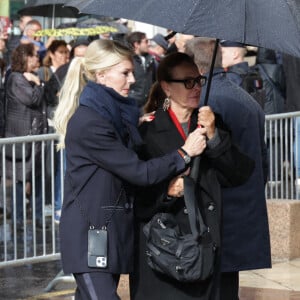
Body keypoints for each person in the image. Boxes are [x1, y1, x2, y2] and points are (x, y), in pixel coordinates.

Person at [53, 39, 206, 300]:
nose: (133, 79)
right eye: (125, 73)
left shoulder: (113, 115)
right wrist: (184, 152)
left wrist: (134, 125)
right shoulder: (92, 122)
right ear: (101, 75)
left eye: (132, 72)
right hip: (91, 235)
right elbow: (139, 172)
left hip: (108, 233)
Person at [129, 52, 254, 300]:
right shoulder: (147, 131)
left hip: (205, 246)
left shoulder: (210, 123)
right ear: (166, 87)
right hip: (167, 249)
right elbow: (135, 191)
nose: (196, 87)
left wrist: (215, 137)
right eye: (188, 82)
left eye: (199, 80)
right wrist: (166, 192)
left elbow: (239, 174)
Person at [185, 37, 271, 300]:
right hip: (240, 211)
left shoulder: (208, 102)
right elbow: (263, 161)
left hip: (218, 214)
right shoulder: (245, 99)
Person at [5, 43, 46, 228]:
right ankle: (18, 219)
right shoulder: (15, 78)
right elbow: (32, 99)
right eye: (34, 55)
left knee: (37, 178)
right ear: (25, 58)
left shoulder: (31, 76)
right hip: (23, 139)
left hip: (35, 137)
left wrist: (37, 81)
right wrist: (38, 84)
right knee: (21, 179)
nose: (37, 58)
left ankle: (37, 216)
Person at [126, 31, 156, 109]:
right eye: (146, 41)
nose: (149, 44)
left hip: (147, 105)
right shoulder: (128, 61)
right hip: (132, 105)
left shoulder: (151, 60)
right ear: (136, 44)